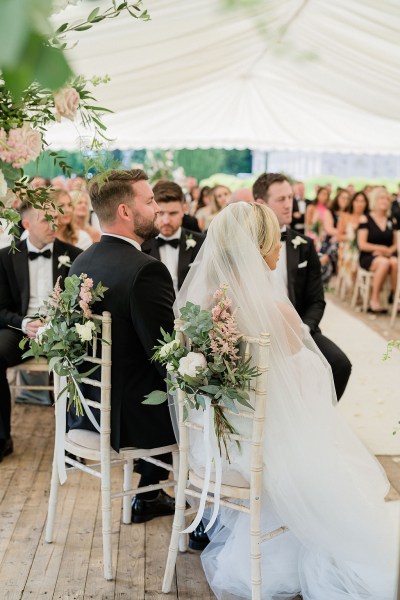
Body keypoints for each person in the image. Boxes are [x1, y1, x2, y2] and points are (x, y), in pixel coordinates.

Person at [175, 202, 397, 600]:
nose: (281, 248)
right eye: (276, 239)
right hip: (257, 453)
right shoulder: (275, 312)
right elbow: (305, 394)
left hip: (214, 451)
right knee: (337, 466)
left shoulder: (200, 307)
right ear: (259, 247)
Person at [67, 169, 177, 523]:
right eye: (149, 201)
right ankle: (206, 513)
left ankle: (150, 493)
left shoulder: (81, 261)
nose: (157, 208)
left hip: (86, 409)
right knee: (203, 401)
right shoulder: (147, 270)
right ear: (126, 212)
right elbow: (167, 355)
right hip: (128, 420)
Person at [252, 173, 351, 401]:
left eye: (290, 197)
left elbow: (317, 300)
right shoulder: (246, 243)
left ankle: (317, 415)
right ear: (261, 203)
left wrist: (303, 330)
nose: (289, 205)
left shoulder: (304, 246)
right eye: (281, 199)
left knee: (339, 363)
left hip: (300, 329)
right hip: (256, 330)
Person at [0, 202, 81, 462]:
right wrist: (24, 323)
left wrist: (59, 322)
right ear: (27, 225)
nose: (53, 225)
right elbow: (0, 309)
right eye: (45, 220)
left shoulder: (75, 255)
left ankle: (75, 439)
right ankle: (2, 437)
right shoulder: (4, 257)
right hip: (20, 329)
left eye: (54, 218)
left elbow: (83, 305)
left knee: (80, 357)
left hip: (61, 330)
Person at [141, 180, 205, 293]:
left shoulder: (202, 242)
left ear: (184, 209)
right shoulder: (140, 244)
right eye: (161, 213)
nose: (166, 221)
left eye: (173, 213)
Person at [357, 186, 398, 314]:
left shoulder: (392, 220)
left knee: (395, 262)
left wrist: (388, 251)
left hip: (387, 254)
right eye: (382, 198)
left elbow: (396, 244)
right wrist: (379, 248)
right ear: (375, 200)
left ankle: (395, 297)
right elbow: (362, 244)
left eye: (387, 199)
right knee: (384, 262)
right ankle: (374, 300)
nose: (385, 201)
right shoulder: (365, 219)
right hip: (369, 256)